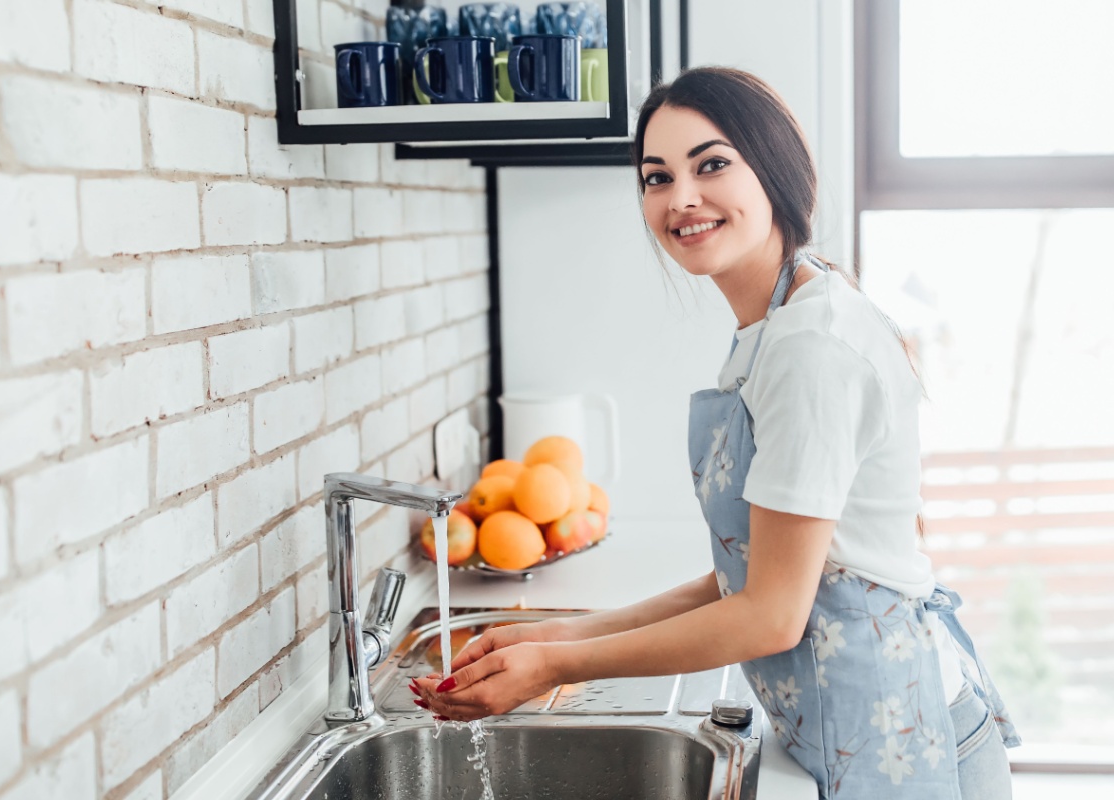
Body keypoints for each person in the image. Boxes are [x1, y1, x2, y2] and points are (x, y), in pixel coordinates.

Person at [413, 67, 1020, 799]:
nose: (681, 198)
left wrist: (556, 667)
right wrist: (565, 636)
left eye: (711, 164)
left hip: (905, 736)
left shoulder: (811, 347)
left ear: (775, 168)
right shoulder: (779, 317)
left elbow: (769, 615)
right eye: (656, 176)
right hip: (852, 730)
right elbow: (745, 575)